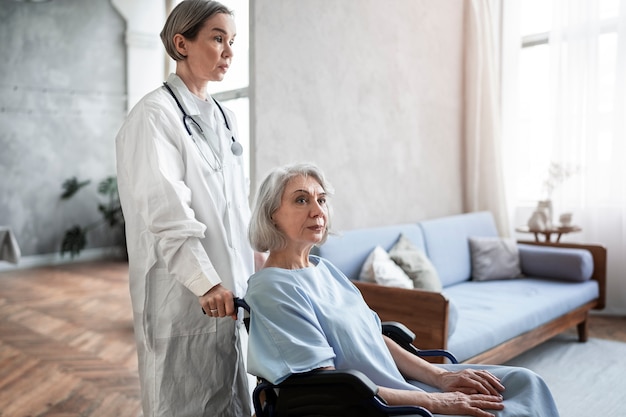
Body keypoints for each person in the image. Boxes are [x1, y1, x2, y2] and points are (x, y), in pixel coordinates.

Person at [244, 163, 560, 417]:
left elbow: (373, 335)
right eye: (302, 200)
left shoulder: (325, 270)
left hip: (401, 383)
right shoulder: (273, 289)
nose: (318, 211)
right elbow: (332, 388)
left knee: (524, 382)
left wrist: (441, 378)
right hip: (370, 403)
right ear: (271, 214)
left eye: (321, 199)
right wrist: (436, 401)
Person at [115, 1, 256, 416]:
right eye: (217, 38)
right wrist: (205, 282)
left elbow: (235, 206)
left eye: (232, 41)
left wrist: (256, 258)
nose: (229, 51)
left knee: (234, 395)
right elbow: (166, 212)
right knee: (186, 401)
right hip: (187, 296)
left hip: (234, 291)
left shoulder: (225, 117)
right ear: (181, 43)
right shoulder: (153, 117)